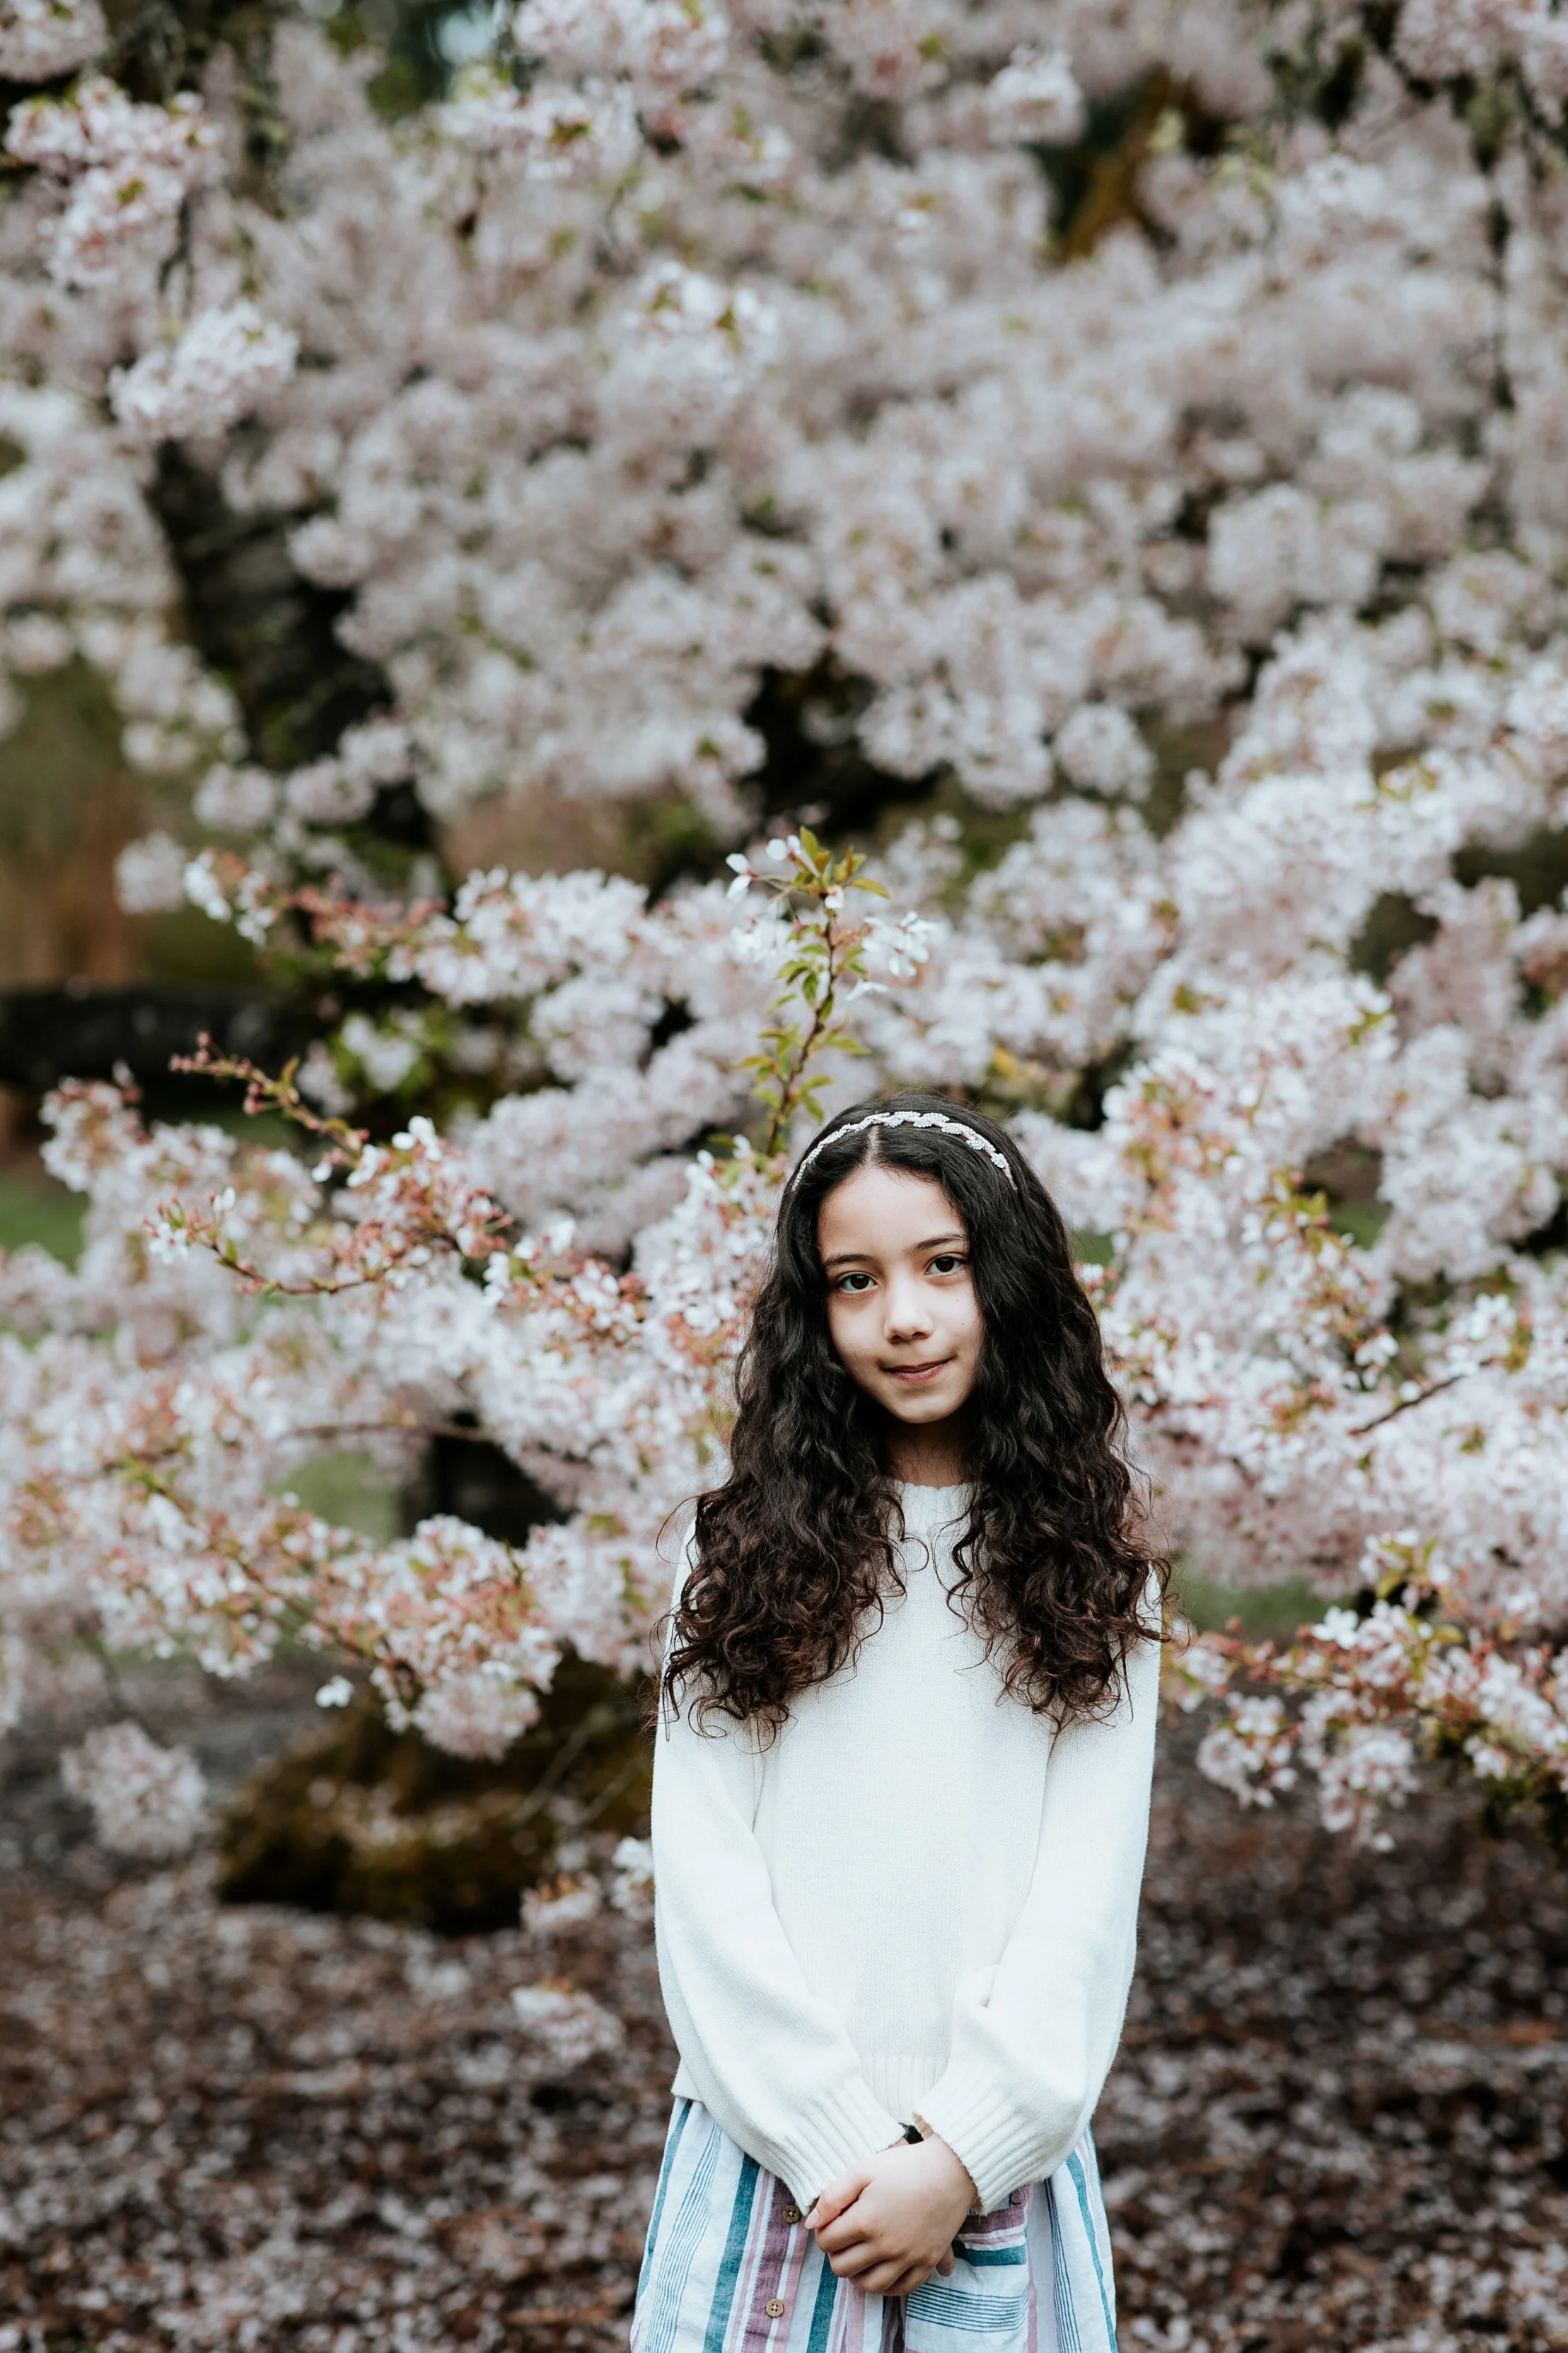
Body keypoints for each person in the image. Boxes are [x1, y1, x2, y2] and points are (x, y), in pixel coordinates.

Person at [634, 1090, 1166, 2353]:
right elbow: (705, 1885)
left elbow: (1083, 1910)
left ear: (1013, 1278)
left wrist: (961, 2154)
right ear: (814, 1316)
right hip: (774, 2166)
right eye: (855, 1280)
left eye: (944, 1265)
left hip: (997, 2173)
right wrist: (832, 2143)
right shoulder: (735, 1562)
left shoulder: (1095, 1578)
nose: (907, 1316)